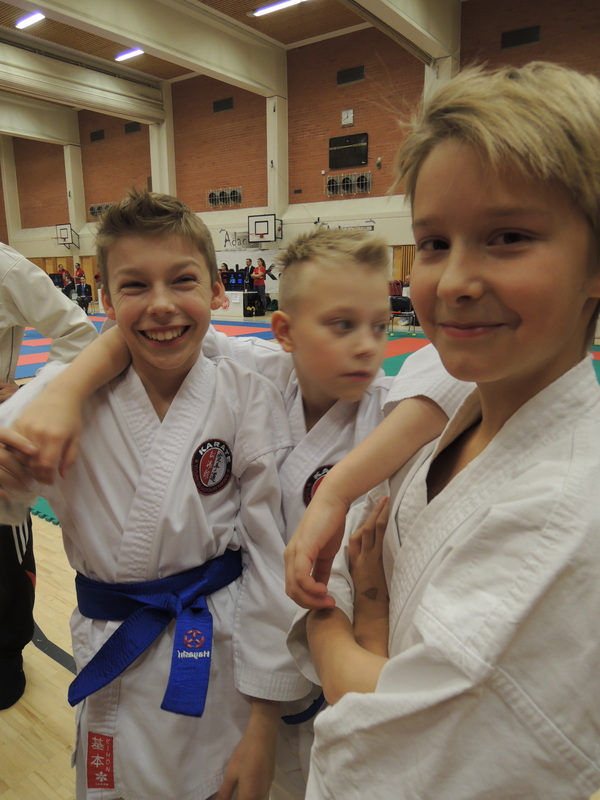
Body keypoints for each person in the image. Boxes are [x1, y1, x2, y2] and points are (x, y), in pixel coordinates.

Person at [8, 226, 469, 799]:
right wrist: (67, 387)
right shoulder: (263, 372)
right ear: (286, 332)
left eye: (380, 326)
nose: (365, 347)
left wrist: (339, 489)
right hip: (247, 650)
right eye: (340, 324)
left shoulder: (388, 407)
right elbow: (154, 332)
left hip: (344, 643)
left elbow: (455, 373)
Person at [286, 61, 600, 799]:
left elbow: (389, 728)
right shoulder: (464, 405)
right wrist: (362, 593)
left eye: (508, 237)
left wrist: (328, 621)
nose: (454, 281)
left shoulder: (564, 517)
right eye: (432, 243)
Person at [0, 189, 309, 800]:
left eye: (182, 280)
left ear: (216, 290)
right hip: (117, 657)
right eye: (135, 286)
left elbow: (272, 560)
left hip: (224, 657)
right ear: (105, 298)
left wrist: (264, 721)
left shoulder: (247, 387)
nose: (161, 304)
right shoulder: (60, 397)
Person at [0, 242, 96, 710]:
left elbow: (80, 337)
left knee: (4, 565)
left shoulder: (5, 268)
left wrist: (25, 397)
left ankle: (5, 658)